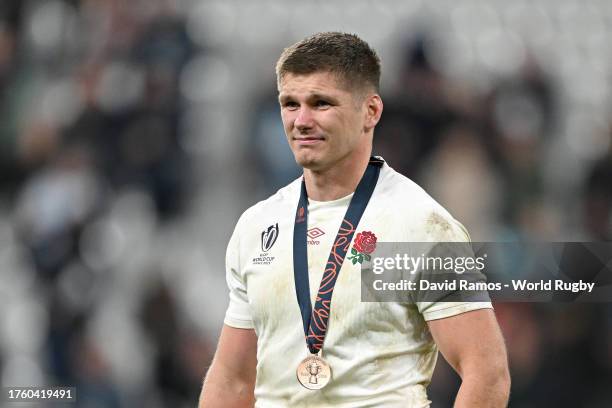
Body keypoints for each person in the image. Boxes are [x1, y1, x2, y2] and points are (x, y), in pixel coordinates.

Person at [199, 32, 510, 407]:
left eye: (321, 103)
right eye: (290, 103)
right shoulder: (257, 225)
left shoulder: (421, 225)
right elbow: (232, 380)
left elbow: (486, 371)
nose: (301, 120)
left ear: (371, 112)